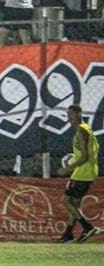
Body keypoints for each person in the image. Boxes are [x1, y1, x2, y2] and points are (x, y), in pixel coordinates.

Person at [57, 104, 100, 243]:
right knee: (74, 205)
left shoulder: (81, 132)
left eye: (71, 114)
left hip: (82, 171)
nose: (69, 118)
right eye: (68, 114)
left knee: (66, 200)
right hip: (90, 170)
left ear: (79, 114)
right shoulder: (87, 128)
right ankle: (68, 235)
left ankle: (87, 227)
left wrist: (68, 167)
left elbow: (84, 157)